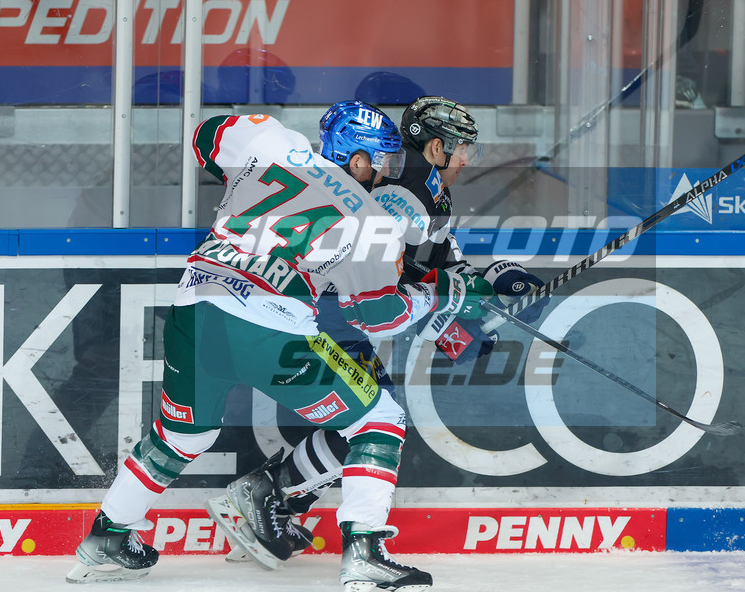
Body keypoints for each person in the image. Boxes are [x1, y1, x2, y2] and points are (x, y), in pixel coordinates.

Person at [65, 101, 495, 592]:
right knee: (379, 419)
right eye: (378, 160)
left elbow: (206, 137)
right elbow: (376, 316)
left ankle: (107, 539)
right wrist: (443, 296)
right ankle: (367, 561)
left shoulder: (270, 141)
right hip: (267, 325)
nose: (381, 172)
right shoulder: (368, 217)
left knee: (182, 435)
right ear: (357, 158)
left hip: (195, 306)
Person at [213, 97, 551, 566]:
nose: (467, 159)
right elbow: (393, 276)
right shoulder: (403, 193)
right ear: (436, 146)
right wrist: (457, 319)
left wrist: (498, 277)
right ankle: (267, 494)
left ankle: (277, 501)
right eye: (461, 148)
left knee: (362, 420)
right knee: (370, 422)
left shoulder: (425, 187)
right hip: (330, 317)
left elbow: (439, 262)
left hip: (335, 316)